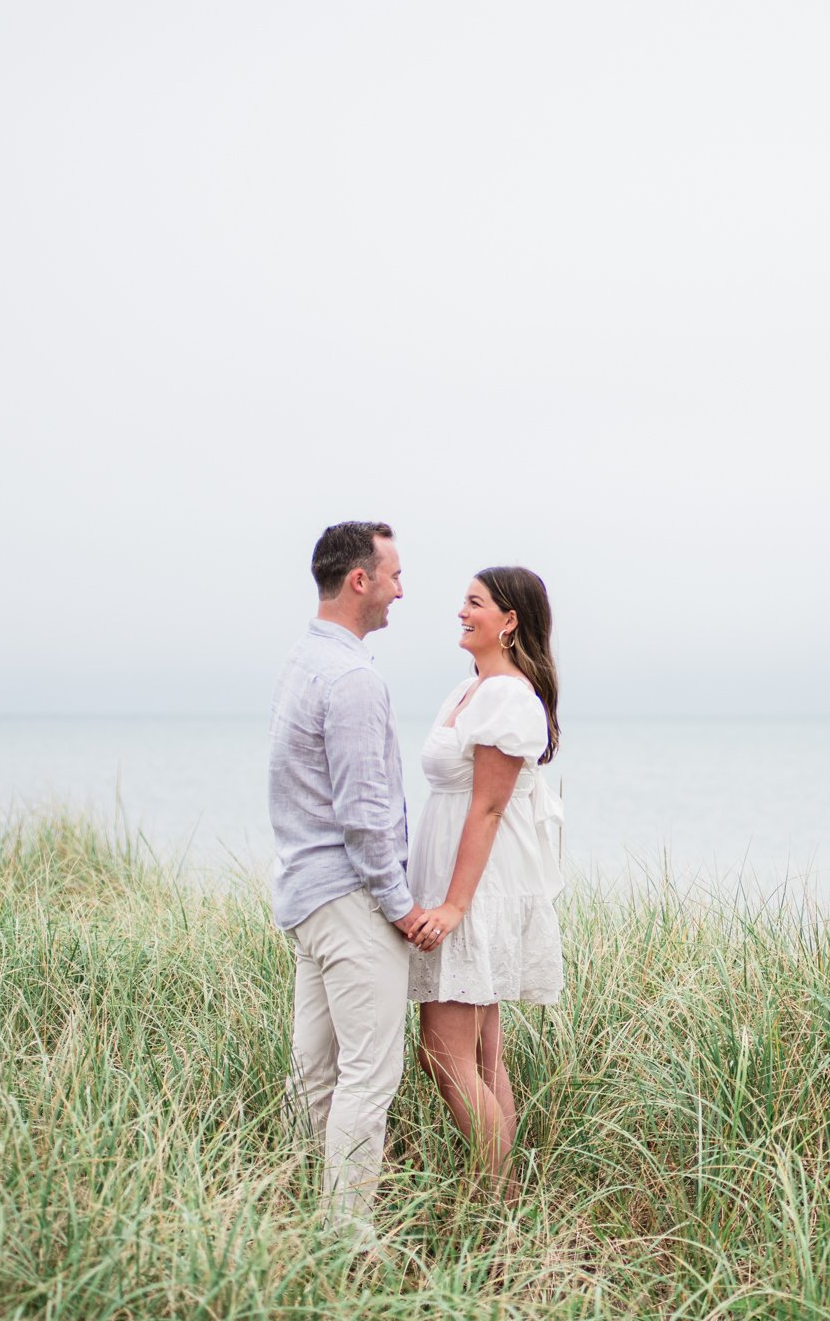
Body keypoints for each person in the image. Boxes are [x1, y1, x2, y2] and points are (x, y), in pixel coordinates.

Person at [267, 521, 428, 1228]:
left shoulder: (304, 659)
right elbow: (365, 817)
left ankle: (304, 1217)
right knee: (369, 1075)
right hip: (351, 899)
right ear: (359, 580)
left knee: (317, 1071)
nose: (401, 589)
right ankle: (349, 1241)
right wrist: (399, 907)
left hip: (306, 896)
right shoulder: (353, 678)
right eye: (393, 574)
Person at [404, 566, 565, 1187]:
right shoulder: (470, 688)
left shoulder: (505, 696)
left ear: (510, 621)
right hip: (462, 880)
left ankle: (497, 1206)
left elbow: (490, 806)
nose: (461, 613)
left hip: (476, 889)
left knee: (445, 1054)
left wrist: (452, 906)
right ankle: (505, 1209)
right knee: (478, 1054)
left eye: (474, 603)